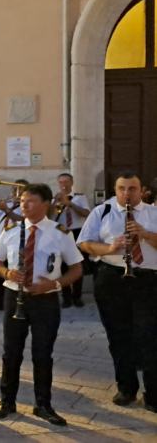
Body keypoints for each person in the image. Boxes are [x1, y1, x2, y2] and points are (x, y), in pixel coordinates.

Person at [0, 183, 83, 426]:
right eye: (22, 201)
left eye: (29, 201)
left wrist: (54, 285)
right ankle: (7, 400)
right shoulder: (11, 229)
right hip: (14, 297)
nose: (23, 205)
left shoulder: (61, 233)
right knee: (11, 352)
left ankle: (43, 404)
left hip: (46, 299)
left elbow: (76, 269)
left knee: (42, 354)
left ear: (45, 204)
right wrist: (7, 273)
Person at [78, 172, 157, 413]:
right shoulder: (102, 211)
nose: (127, 193)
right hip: (112, 277)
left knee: (149, 336)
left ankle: (154, 393)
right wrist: (109, 247)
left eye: (132, 188)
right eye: (122, 188)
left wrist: (144, 234)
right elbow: (84, 243)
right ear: (115, 189)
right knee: (118, 335)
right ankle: (126, 388)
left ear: (141, 190)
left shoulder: (153, 213)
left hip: (147, 280)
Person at [0, 180, 28, 312]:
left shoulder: (24, 207)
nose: (16, 192)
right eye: (14, 189)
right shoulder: (8, 204)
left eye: (19, 189)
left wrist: (6, 209)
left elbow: (23, 221)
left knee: (13, 272)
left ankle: (13, 302)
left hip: (15, 242)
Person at [52, 173, 91, 308]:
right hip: (61, 233)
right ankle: (66, 297)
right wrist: (54, 204)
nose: (64, 185)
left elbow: (86, 213)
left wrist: (69, 203)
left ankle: (77, 297)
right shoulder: (55, 199)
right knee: (62, 267)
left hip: (76, 232)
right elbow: (50, 217)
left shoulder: (80, 197)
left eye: (66, 181)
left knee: (77, 265)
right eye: (61, 182)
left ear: (72, 182)